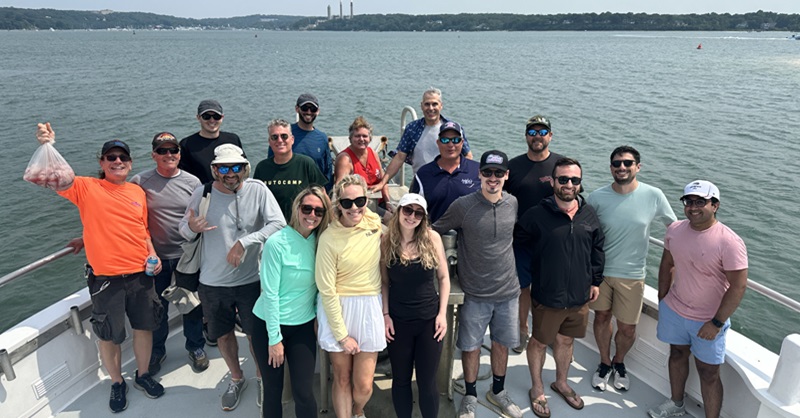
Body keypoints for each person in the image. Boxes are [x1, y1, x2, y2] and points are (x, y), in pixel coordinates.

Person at [34, 123, 165, 412]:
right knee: (109, 335)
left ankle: (143, 375)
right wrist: (48, 145)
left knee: (145, 328)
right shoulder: (85, 187)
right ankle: (117, 382)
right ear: (102, 163)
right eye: (111, 158)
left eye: (122, 158)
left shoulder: (137, 192)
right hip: (106, 279)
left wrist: (152, 255)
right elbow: (52, 177)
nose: (117, 162)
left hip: (141, 275)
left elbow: (142, 230)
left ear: (130, 163)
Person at [179, 144, 286, 411]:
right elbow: (183, 229)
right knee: (223, 335)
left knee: (255, 334)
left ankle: (261, 377)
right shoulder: (201, 193)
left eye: (236, 167)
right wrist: (192, 228)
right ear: (215, 170)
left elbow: (278, 223)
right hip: (212, 283)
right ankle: (237, 379)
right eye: (224, 168)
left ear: (245, 168)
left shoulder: (258, 189)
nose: (230, 173)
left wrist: (246, 241)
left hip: (251, 279)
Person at [433, 151, 522, 418]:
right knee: (470, 346)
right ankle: (470, 395)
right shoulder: (463, 205)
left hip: (509, 290)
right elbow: (435, 229)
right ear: (479, 174)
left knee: (501, 343)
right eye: (487, 173)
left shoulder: (513, 203)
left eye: (498, 173)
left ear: (506, 176)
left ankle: (498, 390)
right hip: (475, 293)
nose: (492, 178)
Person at [648, 180, 747, 418]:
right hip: (675, 310)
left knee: (709, 373)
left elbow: (738, 286)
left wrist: (716, 323)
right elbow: (667, 265)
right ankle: (676, 403)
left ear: (715, 205)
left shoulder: (729, 241)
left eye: (700, 202)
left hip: (708, 320)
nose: (693, 207)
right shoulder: (674, 230)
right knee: (677, 355)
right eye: (689, 201)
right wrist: (663, 300)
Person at [515, 157, 604, 418]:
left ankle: (561, 382)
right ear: (553, 181)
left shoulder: (589, 214)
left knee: (566, 340)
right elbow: (520, 245)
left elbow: (597, 249)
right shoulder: (536, 215)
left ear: (580, 184)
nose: (568, 184)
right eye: (563, 179)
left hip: (579, 296)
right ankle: (538, 387)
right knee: (540, 342)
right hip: (548, 294)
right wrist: (529, 275)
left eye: (574, 180)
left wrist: (595, 280)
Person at [587, 145, 676, 391]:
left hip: (633, 275)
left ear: (638, 166)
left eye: (627, 163)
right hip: (600, 273)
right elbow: (584, 234)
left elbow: (675, 228)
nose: (622, 167)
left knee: (627, 328)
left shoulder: (654, 195)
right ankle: (604, 362)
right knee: (602, 317)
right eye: (617, 163)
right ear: (611, 168)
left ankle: (619, 361)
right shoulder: (596, 197)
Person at [130, 132, 208, 376]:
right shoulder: (139, 181)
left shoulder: (193, 182)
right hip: (156, 256)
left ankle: (195, 347)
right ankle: (157, 350)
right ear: (153, 155)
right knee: (157, 307)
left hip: (187, 254)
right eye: (162, 151)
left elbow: (202, 215)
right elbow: (121, 211)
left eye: (173, 150)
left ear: (179, 154)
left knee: (191, 305)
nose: (168, 155)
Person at [252, 186, 333, 418]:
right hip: (269, 325)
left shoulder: (321, 241)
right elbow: (270, 293)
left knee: (304, 392)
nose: (312, 215)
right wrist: (274, 339)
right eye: (307, 208)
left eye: (319, 211)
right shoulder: (276, 243)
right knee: (273, 390)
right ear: (296, 208)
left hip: (303, 327)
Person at [315, 175, 386, 418]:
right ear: (338, 205)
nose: (354, 207)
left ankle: (358, 410)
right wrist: (342, 335)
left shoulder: (374, 222)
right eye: (347, 203)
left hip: (370, 306)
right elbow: (327, 290)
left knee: (364, 385)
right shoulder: (328, 238)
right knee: (342, 377)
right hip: (339, 308)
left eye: (360, 200)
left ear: (367, 200)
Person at [381, 193, 450, 418]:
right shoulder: (385, 240)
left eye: (418, 213)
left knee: (427, 381)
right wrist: (386, 315)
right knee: (400, 379)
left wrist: (442, 315)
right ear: (398, 211)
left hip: (428, 321)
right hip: (398, 322)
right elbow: (384, 282)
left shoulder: (433, 238)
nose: (412, 216)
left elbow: (443, 279)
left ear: (424, 217)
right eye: (407, 210)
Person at [503, 115, 564, 354]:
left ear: (550, 136)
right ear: (526, 135)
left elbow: (572, 198)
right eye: (532, 132)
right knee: (522, 288)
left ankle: (544, 332)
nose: (537, 136)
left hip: (552, 241)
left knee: (546, 288)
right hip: (521, 240)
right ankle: (521, 329)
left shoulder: (561, 165)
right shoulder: (513, 166)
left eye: (542, 132)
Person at [370, 87, 472, 192]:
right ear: (421, 106)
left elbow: (467, 155)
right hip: (420, 181)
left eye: (435, 104)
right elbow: (400, 157)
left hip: (447, 182)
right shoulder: (412, 129)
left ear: (441, 106)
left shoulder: (453, 128)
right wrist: (383, 183)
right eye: (427, 104)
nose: (431, 108)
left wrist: (464, 180)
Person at [254, 118, 328, 222]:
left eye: (284, 136)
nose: (280, 140)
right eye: (274, 137)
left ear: (292, 139)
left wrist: (332, 222)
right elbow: (256, 202)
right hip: (272, 227)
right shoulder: (262, 168)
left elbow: (322, 195)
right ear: (269, 141)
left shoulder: (306, 163)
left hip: (302, 225)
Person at [410, 121, 480, 223]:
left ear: (462, 143)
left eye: (456, 140)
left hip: (471, 237)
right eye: (445, 140)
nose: (451, 145)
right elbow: (413, 210)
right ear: (438, 143)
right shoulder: (423, 174)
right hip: (434, 235)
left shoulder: (478, 171)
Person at [268, 93, 333, 187]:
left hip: (314, 195)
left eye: (313, 109)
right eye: (305, 108)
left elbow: (327, 171)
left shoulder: (322, 138)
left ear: (318, 111)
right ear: (297, 109)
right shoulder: (284, 135)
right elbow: (271, 164)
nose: (309, 112)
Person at [179, 99, 244, 184]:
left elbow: (243, 168)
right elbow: (183, 177)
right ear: (198, 118)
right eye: (206, 116)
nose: (212, 120)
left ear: (222, 117)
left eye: (216, 116)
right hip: (201, 194)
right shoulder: (186, 144)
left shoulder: (233, 139)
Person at [334, 116, 390, 203]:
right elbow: (340, 188)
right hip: (360, 205)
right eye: (357, 136)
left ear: (370, 138)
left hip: (379, 201)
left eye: (365, 136)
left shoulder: (373, 154)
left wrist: (388, 202)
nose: (361, 139)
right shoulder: (345, 159)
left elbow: (383, 181)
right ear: (350, 138)